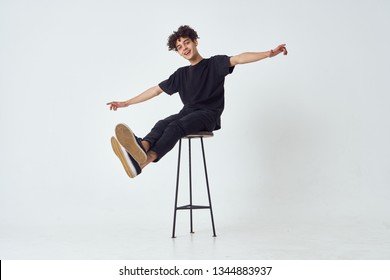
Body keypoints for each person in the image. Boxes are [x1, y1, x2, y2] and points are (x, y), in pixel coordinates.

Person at [107, 25, 287, 178]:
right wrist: (126, 103)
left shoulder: (214, 64)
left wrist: (268, 53)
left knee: (174, 127)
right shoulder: (181, 74)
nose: (184, 48)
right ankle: (140, 149)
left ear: (195, 42)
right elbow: (155, 90)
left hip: (208, 114)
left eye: (186, 42)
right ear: (178, 52)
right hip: (188, 113)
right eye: (179, 47)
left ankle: (143, 163)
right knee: (162, 123)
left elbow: (239, 58)